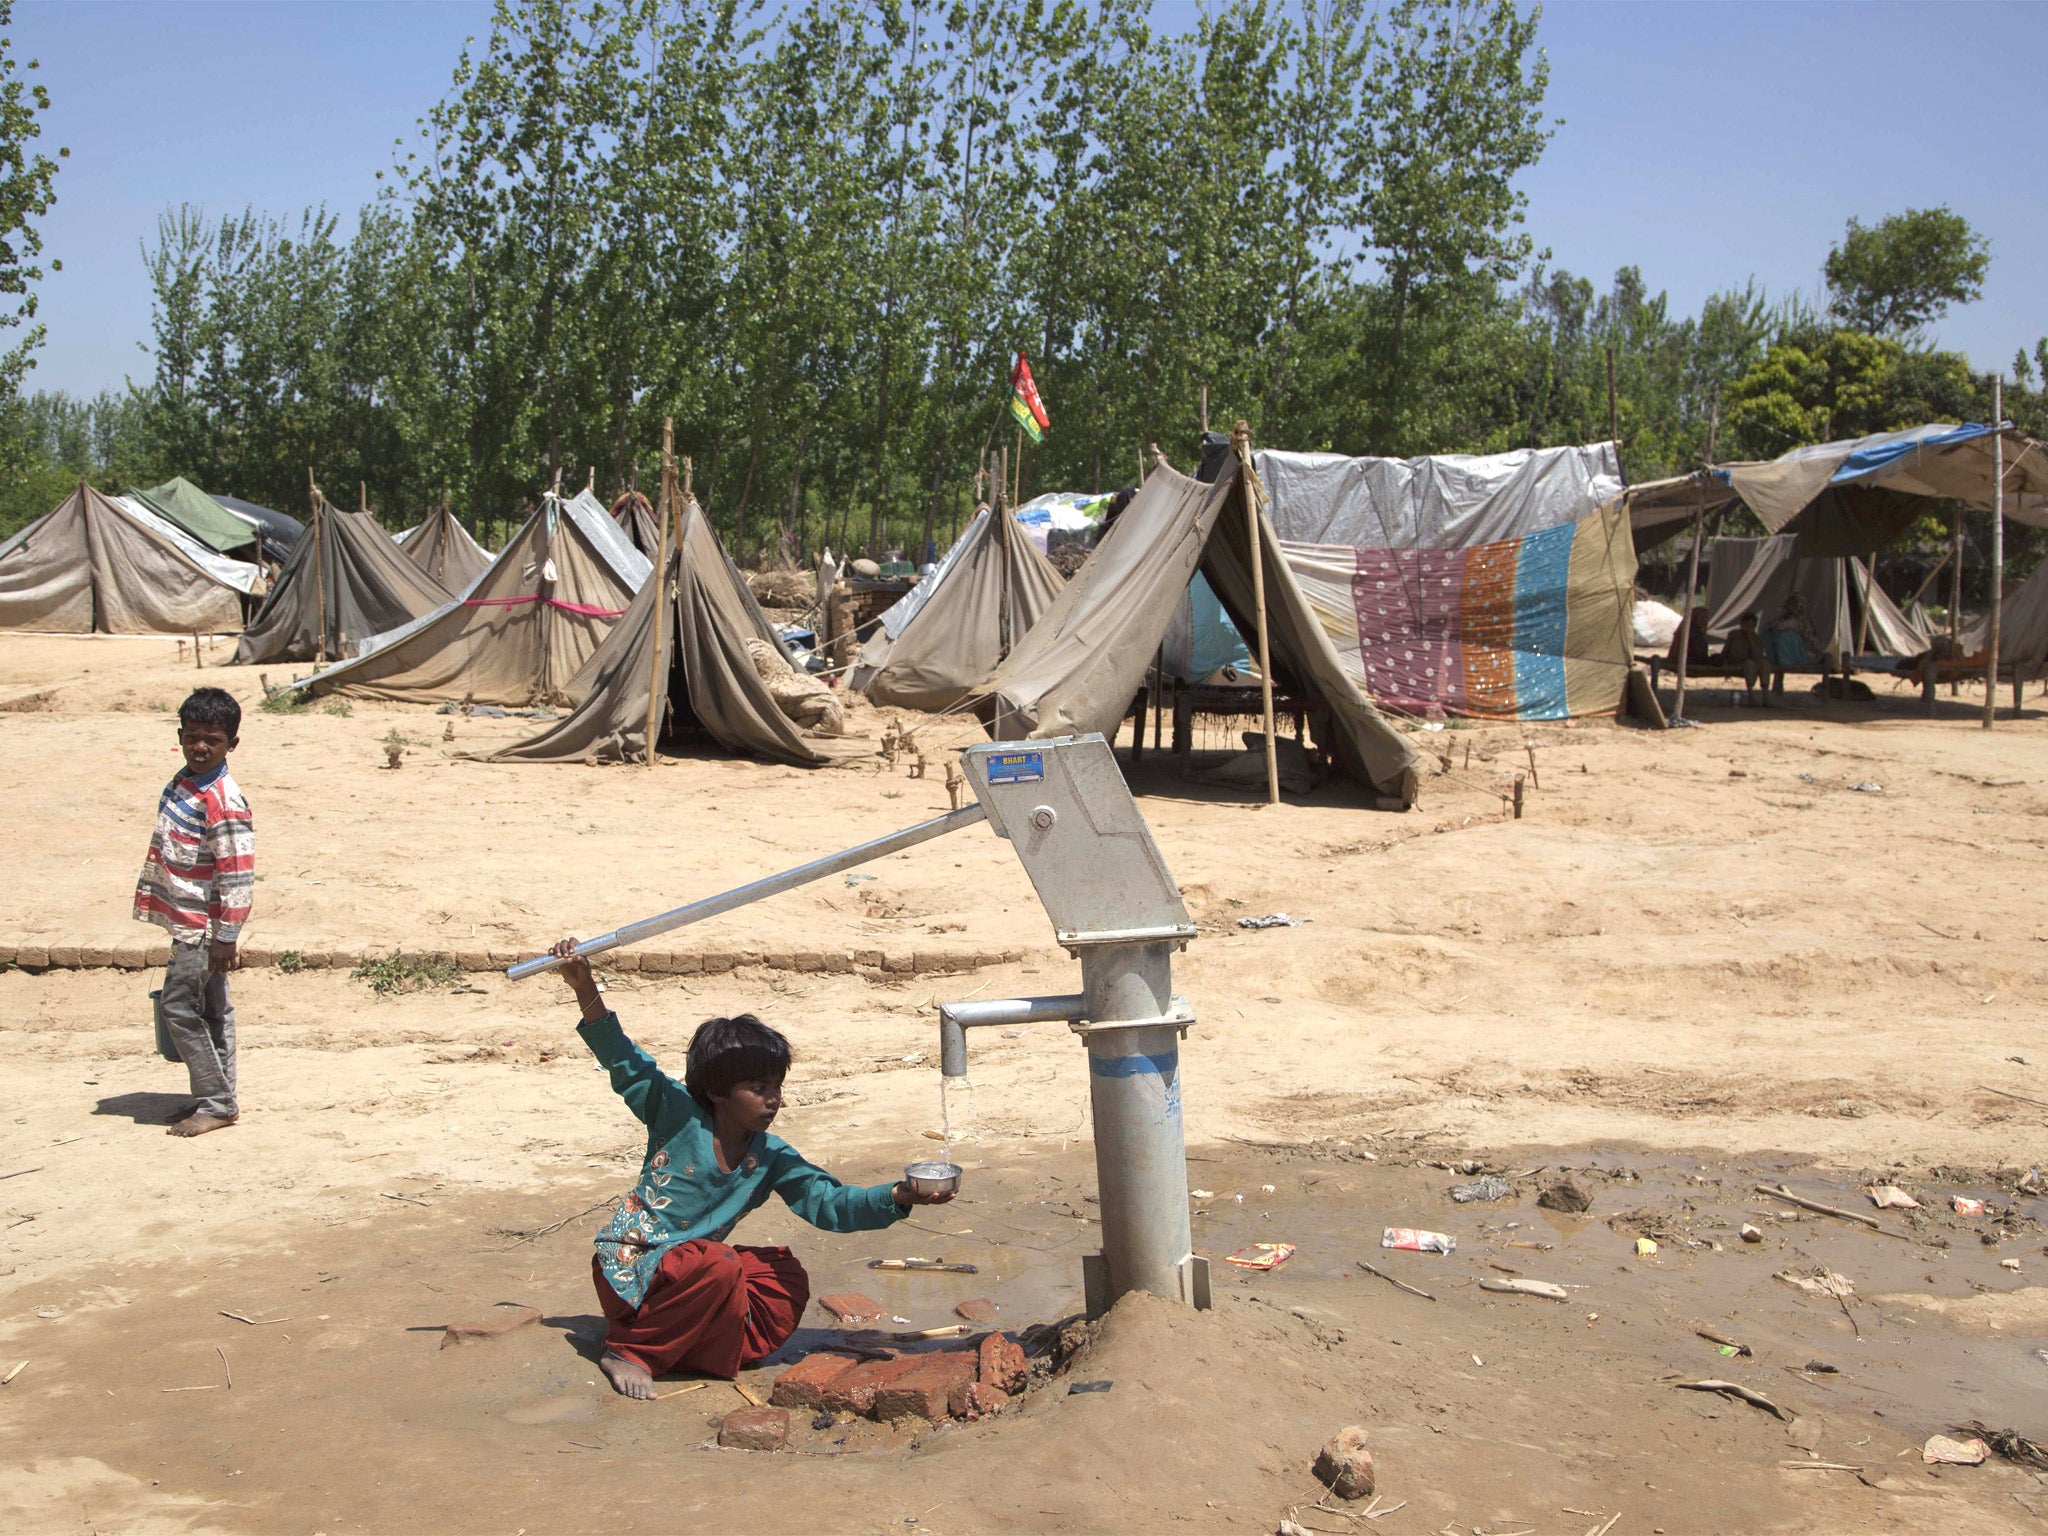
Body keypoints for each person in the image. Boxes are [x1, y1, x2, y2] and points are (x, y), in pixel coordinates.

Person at [546, 939, 952, 1398]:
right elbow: (624, 1060)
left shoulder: (772, 1157)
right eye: (758, 1088)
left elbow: (829, 1204)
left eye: (776, 1086)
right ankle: (630, 1352)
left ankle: (689, 1349)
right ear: (718, 1091)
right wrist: (584, 988)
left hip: (688, 1277)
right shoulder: (675, 1115)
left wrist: (898, 1197)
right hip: (630, 1267)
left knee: (782, 1276)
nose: (773, 1098)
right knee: (719, 1264)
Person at [134, 686, 253, 1138]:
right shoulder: (184, 782)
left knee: (180, 1008)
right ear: (180, 735)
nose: (201, 747)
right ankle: (216, 1095)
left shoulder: (222, 799)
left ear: (231, 745)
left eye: (213, 740)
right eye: (193, 736)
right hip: (187, 920)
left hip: (202, 928)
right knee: (211, 1010)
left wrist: (226, 936)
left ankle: (217, 1102)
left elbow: (238, 872)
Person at [1715, 611, 1770, 701]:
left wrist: (1751, 641)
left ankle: (1765, 694)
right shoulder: (1734, 635)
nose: (1749, 628)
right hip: (1737, 662)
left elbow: (1758, 655)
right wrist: (1724, 663)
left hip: (1753, 662)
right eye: (1747, 625)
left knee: (1765, 663)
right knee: (1749, 664)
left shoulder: (1756, 638)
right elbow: (1726, 650)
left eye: (1752, 626)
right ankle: (1750, 693)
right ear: (1742, 625)